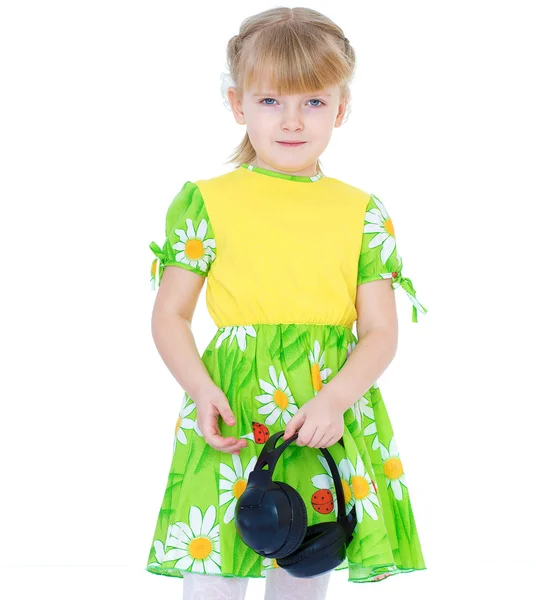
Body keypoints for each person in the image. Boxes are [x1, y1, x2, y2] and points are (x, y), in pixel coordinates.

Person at [145, 6, 428, 600]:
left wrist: (335, 400)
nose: (292, 121)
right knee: (213, 571)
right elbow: (171, 313)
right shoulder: (204, 201)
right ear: (237, 103)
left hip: (322, 412)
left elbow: (380, 329)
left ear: (342, 108)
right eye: (271, 101)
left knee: (303, 569)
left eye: (314, 102)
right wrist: (201, 390)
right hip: (232, 408)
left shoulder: (362, 211)